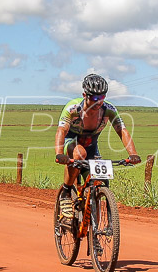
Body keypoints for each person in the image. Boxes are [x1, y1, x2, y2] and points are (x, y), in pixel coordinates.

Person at [54, 73, 140, 220]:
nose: (98, 101)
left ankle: (95, 233)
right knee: (79, 153)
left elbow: (122, 130)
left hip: (92, 146)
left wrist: (133, 154)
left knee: (100, 182)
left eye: (102, 97)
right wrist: (59, 153)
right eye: (94, 97)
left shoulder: (108, 110)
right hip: (72, 142)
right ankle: (66, 193)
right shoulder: (73, 109)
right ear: (84, 95)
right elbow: (61, 130)